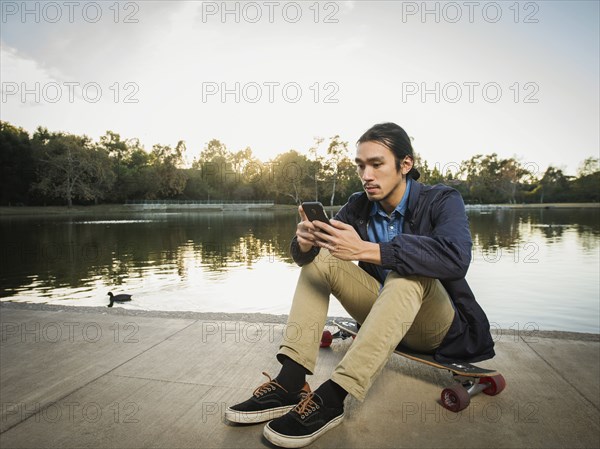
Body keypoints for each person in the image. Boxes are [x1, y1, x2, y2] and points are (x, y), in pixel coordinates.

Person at [225, 122, 495, 448]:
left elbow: (456, 258)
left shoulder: (441, 199)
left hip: (435, 325)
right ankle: (291, 383)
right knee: (321, 258)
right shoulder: (359, 204)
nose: (366, 174)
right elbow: (304, 257)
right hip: (383, 313)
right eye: (360, 165)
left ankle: (334, 396)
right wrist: (305, 242)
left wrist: (370, 250)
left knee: (407, 271)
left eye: (377, 164)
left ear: (405, 164)